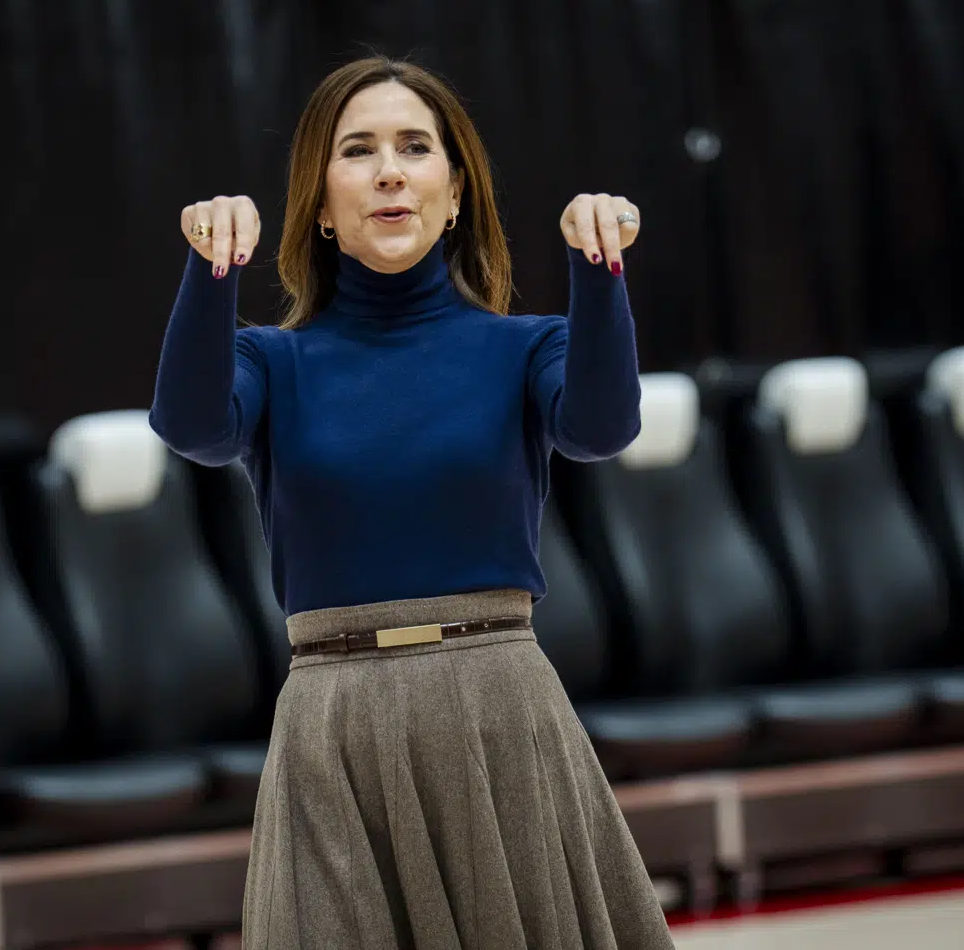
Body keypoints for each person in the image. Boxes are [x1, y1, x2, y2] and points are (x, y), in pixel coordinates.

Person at [149, 55, 673, 950]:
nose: (389, 170)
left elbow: (600, 424)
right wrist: (208, 272)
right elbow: (192, 423)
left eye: (414, 146)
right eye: (357, 150)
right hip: (333, 723)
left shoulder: (526, 346)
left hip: (496, 710)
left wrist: (600, 266)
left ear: (456, 191)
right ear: (318, 201)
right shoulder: (272, 360)